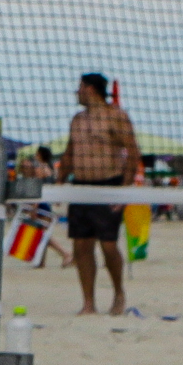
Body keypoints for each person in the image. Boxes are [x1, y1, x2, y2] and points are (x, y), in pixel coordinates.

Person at [58, 72, 140, 313]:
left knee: (108, 246)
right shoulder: (77, 119)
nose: (77, 92)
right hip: (81, 187)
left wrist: (123, 192)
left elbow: (133, 152)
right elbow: (69, 153)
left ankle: (118, 293)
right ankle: (88, 303)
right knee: (81, 247)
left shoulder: (116, 116)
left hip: (109, 186)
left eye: (79, 87)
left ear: (90, 89)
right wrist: (58, 183)